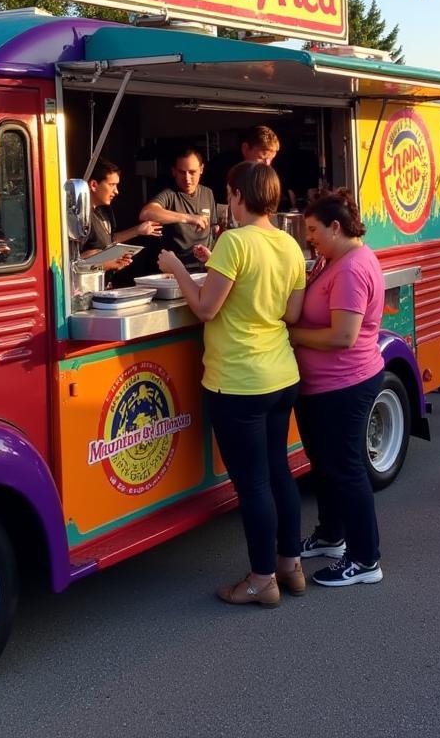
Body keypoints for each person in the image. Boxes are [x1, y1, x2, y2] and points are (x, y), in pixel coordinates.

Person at [158, 162, 306, 606]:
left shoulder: (234, 241)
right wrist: (214, 265)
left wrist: (177, 268)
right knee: (279, 472)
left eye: (229, 194)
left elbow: (205, 308)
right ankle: (289, 566)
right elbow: (292, 314)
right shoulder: (289, 244)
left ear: (239, 196)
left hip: (239, 381)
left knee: (254, 483)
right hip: (282, 373)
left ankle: (261, 580)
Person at [289, 189, 386, 587]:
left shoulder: (349, 268)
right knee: (326, 464)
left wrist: (293, 335)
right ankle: (332, 535)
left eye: (313, 229)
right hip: (328, 384)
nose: (308, 236)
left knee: (345, 469)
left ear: (335, 226)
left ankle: (365, 559)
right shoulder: (337, 259)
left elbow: (343, 336)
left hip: (344, 382)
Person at [140, 147, 217, 270]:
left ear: (201, 169)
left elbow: (213, 228)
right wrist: (188, 218)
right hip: (176, 271)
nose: (187, 178)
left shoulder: (208, 193)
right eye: (182, 172)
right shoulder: (169, 194)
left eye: (192, 172)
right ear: (174, 171)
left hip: (205, 268)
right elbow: (146, 213)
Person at [82, 159, 161, 271]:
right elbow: (75, 261)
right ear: (94, 185)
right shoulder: (80, 218)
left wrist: (138, 230)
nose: (116, 191)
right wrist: (109, 263)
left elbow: (109, 241)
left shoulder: (105, 211)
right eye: (112, 185)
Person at [203, 124, 281, 199]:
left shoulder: (267, 173)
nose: (267, 164)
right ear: (245, 149)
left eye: (271, 159)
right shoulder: (220, 167)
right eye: (261, 157)